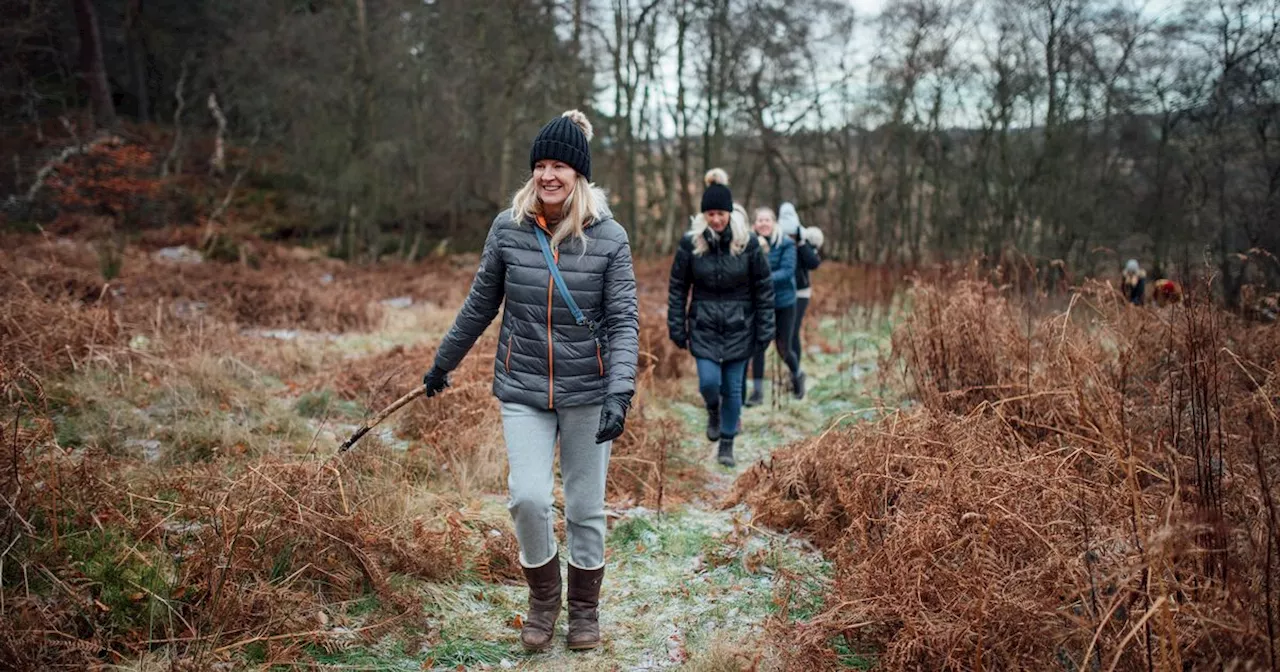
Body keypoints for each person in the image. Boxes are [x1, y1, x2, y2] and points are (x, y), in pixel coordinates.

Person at [421, 110, 639, 653]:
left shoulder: (609, 238)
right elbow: (480, 305)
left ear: (578, 174)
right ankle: (544, 601)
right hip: (523, 387)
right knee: (527, 498)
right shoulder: (508, 228)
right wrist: (443, 362)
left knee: (586, 507)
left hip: (589, 391)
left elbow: (624, 321)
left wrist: (619, 391)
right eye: (540, 164)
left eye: (559, 165)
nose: (548, 175)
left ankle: (585, 611)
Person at [668, 168, 775, 467]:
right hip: (703, 325)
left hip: (741, 326)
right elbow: (678, 287)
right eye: (711, 214)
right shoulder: (691, 244)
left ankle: (727, 441)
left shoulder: (748, 244)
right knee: (709, 384)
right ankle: (712, 410)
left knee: (733, 388)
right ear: (704, 215)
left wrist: (765, 330)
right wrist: (677, 325)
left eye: (721, 213)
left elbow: (763, 289)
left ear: (730, 213)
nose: (716, 219)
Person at [743, 206, 804, 407]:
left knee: (783, 347)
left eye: (767, 220)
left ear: (774, 223)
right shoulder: (749, 245)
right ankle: (758, 393)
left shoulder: (786, 244)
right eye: (759, 220)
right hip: (760, 305)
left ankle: (797, 375)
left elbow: (787, 272)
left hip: (784, 303)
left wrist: (760, 279)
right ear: (754, 225)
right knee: (758, 347)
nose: (763, 223)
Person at [780, 204, 822, 370]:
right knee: (783, 334)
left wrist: (801, 243)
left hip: (800, 293)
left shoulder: (804, 238)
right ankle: (792, 368)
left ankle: (795, 371)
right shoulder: (778, 237)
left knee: (793, 330)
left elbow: (813, 263)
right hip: (782, 292)